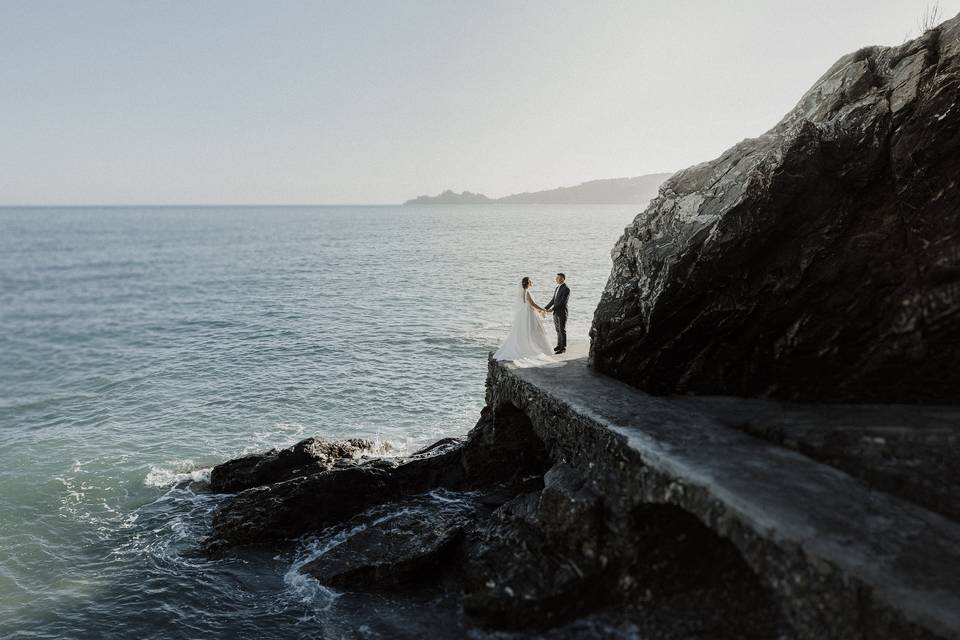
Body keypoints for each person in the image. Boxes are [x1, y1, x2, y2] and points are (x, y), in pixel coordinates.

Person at [493, 276, 554, 364]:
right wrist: (544, 309)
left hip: (525, 313)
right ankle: (536, 348)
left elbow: (528, 304)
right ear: (528, 283)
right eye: (530, 281)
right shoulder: (527, 292)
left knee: (528, 331)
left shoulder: (523, 292)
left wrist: (541, 310)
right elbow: (533, 304)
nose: (531, 282)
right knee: (535, 330)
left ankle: (531, 346)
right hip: (529, 313)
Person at [543, 273, 570, 354]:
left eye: (558, 278)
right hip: (555, 312)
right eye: (556, 277)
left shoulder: (566, 289)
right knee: (557, 330)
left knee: (562, 330)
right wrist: (544, 309)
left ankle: (563, 348)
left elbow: (563, 302)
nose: (556, 279)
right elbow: (553, 300)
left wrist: (553, 309)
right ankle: (559, 345)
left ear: (562, 279)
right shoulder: (557, 288)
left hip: (562, 312)